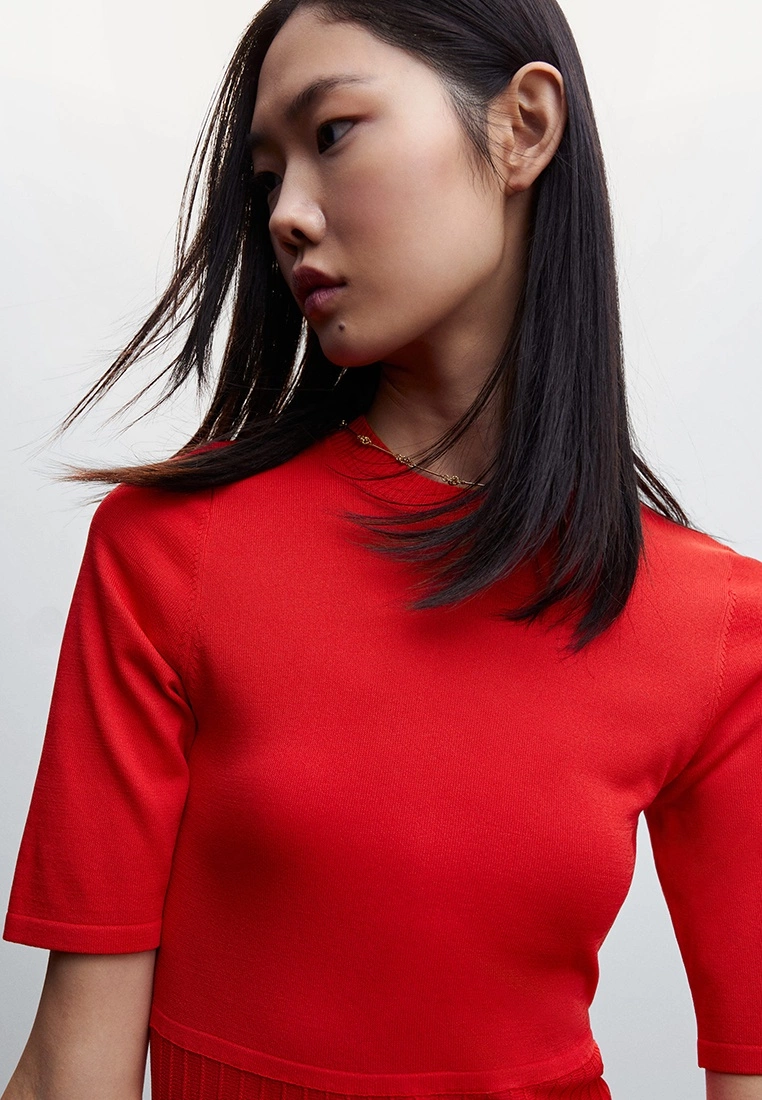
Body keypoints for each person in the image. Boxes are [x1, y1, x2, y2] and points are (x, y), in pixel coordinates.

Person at [2, 0, 761, 1098]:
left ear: (523, 127)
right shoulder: (170, 553)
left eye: (334, 133)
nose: (285, 215)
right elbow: (73, 1071)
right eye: (267, 177)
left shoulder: (716, 628)